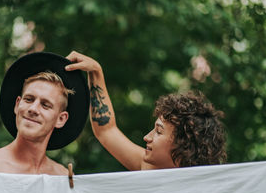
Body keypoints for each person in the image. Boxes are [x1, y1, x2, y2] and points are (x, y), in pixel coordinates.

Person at [65, 51, 226, 170]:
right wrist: (95, 72)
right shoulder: (149, 169)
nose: (146, 137)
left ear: (184, 147)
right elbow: (106, 131)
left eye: (158, 131)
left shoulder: (207, 190)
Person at [0, 52, 89, 175]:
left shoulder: (62, 177)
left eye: (45, 105)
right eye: (29, 99)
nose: (33, 109)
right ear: (17, 105)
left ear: (61, 119)